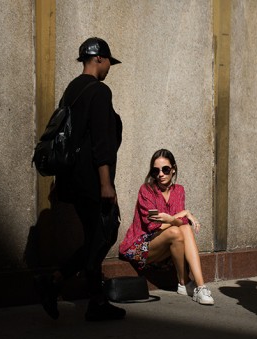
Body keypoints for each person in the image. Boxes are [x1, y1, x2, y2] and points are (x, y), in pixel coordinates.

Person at [34, 37, 125, 322]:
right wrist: (106, 183)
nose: (110, 66)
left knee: (94, 236)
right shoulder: (99, 91)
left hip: (72, 180)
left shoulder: (72, 90)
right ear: (99, 59)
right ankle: (58, 282)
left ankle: (92, 299)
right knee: (105, 233)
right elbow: (101, 143)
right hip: (91, 181)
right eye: (109, 61)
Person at [118, 149, 215, 305]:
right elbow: (152, 226)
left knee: (182, 230)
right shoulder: (147, 190)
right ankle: (186, 282)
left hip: (166, 246)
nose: (160, 174)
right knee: (177, 231)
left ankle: (199, 286)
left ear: (173, 169)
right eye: (156, 170)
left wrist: (173, 218)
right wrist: (183, 213)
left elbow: (181, 224)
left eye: (165, 169)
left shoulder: (179, 190)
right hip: (139, 247)